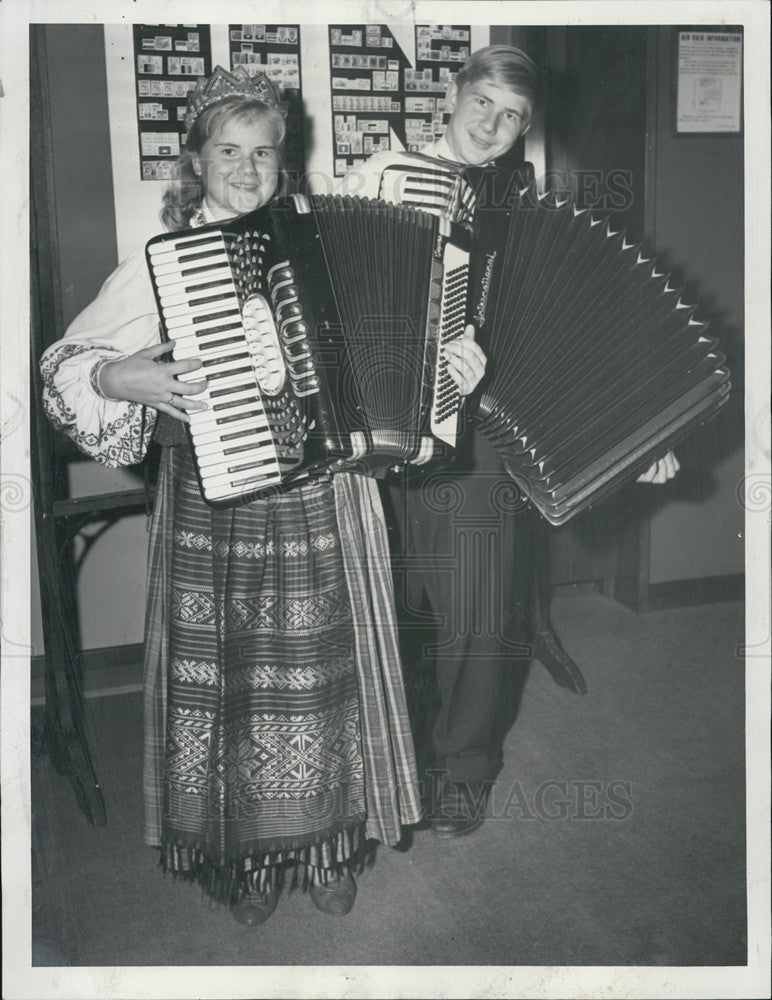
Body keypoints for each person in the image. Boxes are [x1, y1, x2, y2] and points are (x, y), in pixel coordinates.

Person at [39, 65, 480, 926]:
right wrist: (121, 374)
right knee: (233, 693)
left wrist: (456, 373)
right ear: (196, 163)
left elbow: (408, 362)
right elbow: (60, 364)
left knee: (333, 686)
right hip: (218, 509)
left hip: (332, 501)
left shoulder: (327, 241)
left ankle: (330, 848)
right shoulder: (162, 268)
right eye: (229, 151)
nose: (247, 170)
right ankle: (250, 858)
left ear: (285, 161)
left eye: (264, 153)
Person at [337, 44, 680, 839]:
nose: (492, 125)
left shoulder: (525, 207)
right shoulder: (382, 175)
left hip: (478, 439)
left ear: (527, 127)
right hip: (376, 435)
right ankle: (381, 767)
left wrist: (634, 433)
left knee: (480, 618)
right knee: (380, 615)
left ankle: (463, 769)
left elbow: (572, 331)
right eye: (483, 103)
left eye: (512, 115)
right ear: (452, 97)